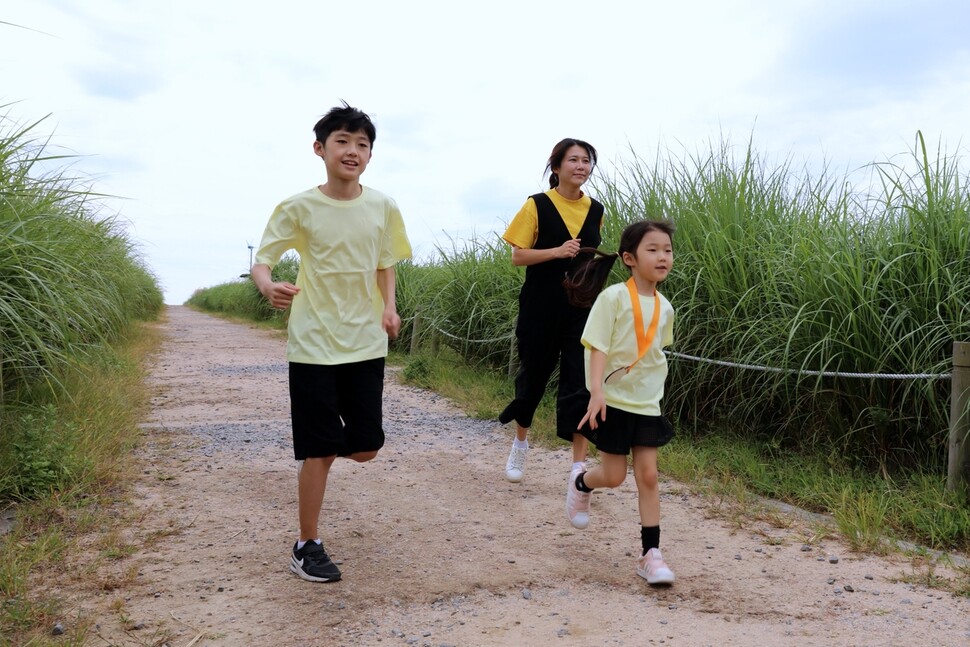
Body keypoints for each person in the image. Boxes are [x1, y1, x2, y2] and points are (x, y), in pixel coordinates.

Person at [251, 102, 412, 583]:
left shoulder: (383, 206)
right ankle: (307, 543)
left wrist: (389, 305)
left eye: (363, 144)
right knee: (319, 449)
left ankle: (321, 445)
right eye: (343, 141)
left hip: (365, 342)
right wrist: (267, 285)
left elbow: (387, 261)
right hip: (314, 342)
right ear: (320, 149)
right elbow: (264, 259)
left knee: (365, 448)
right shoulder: (299, 206)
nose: (353, 150)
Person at [563, 219, 677, 585]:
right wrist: (597, 391)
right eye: (653, 249)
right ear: (629, 257)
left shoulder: (666, 308)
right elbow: (598, 345)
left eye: (668, 250)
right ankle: (583, 483)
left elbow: (657, 352)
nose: (662, 257)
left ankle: (651, 555)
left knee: (648, 474)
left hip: (647, 402)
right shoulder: (612, 297)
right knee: (613, 476)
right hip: (611, 400)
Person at [498, 138, 604, 493]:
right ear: (556, 167)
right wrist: (557, 251)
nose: (581, 166)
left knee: (579, 383)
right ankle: (520, 445)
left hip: (581, 309)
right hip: (540, 306)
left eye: (586, 161)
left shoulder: (596, 210)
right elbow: (517, 257)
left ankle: (578, 467)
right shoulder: (537, 205)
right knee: (533, 377)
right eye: (573, 160)